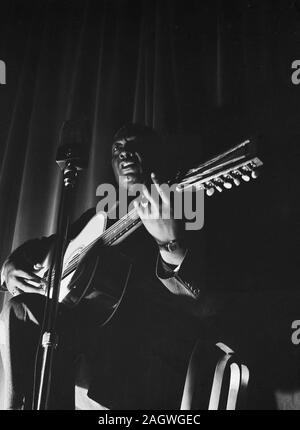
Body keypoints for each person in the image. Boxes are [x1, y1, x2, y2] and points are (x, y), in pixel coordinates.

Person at [0, 123, 208, 410]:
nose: (125, 153)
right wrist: (10, 266)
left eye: (135, 145)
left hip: (138, 349)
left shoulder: (183, 206)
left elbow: (201, 299)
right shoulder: (99, 216)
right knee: (18, 308)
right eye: (117, 149)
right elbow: (46, 244)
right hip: (86, 335)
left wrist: (170, 243)